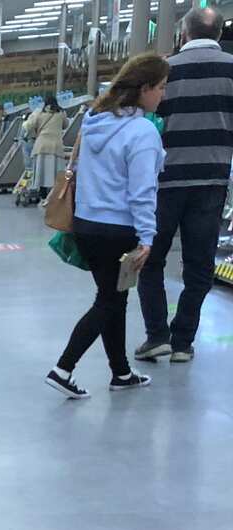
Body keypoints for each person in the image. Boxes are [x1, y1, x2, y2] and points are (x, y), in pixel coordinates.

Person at [46, 54, 168, 398]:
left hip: (87, 225)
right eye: (160, 87)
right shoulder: (142, 131)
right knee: (109, 302)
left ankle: (121, 373)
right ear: (143, 89)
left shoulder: (94, 121)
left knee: (114, 298)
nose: (163, 95)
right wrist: (147, 238)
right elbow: (142, 191)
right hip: (120, 230)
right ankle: (63, 368)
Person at [136, 5, 233, 364]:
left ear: (184, 34)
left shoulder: (164, 71)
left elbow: (145, 123)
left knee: (150, 259)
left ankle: (157, 335)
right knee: (199, 265)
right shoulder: (231, 69)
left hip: (163, 182)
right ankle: (183, 341)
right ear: (220, 34)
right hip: (212, 180)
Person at [24, 95, 66, 199]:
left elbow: (28, 125)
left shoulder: (39, 112)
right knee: (55, 172)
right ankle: (54, 196)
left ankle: (43, 196)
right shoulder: (61, 113)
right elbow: (65, 125)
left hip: (41, 145)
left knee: (42, 172)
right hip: (56, 146)